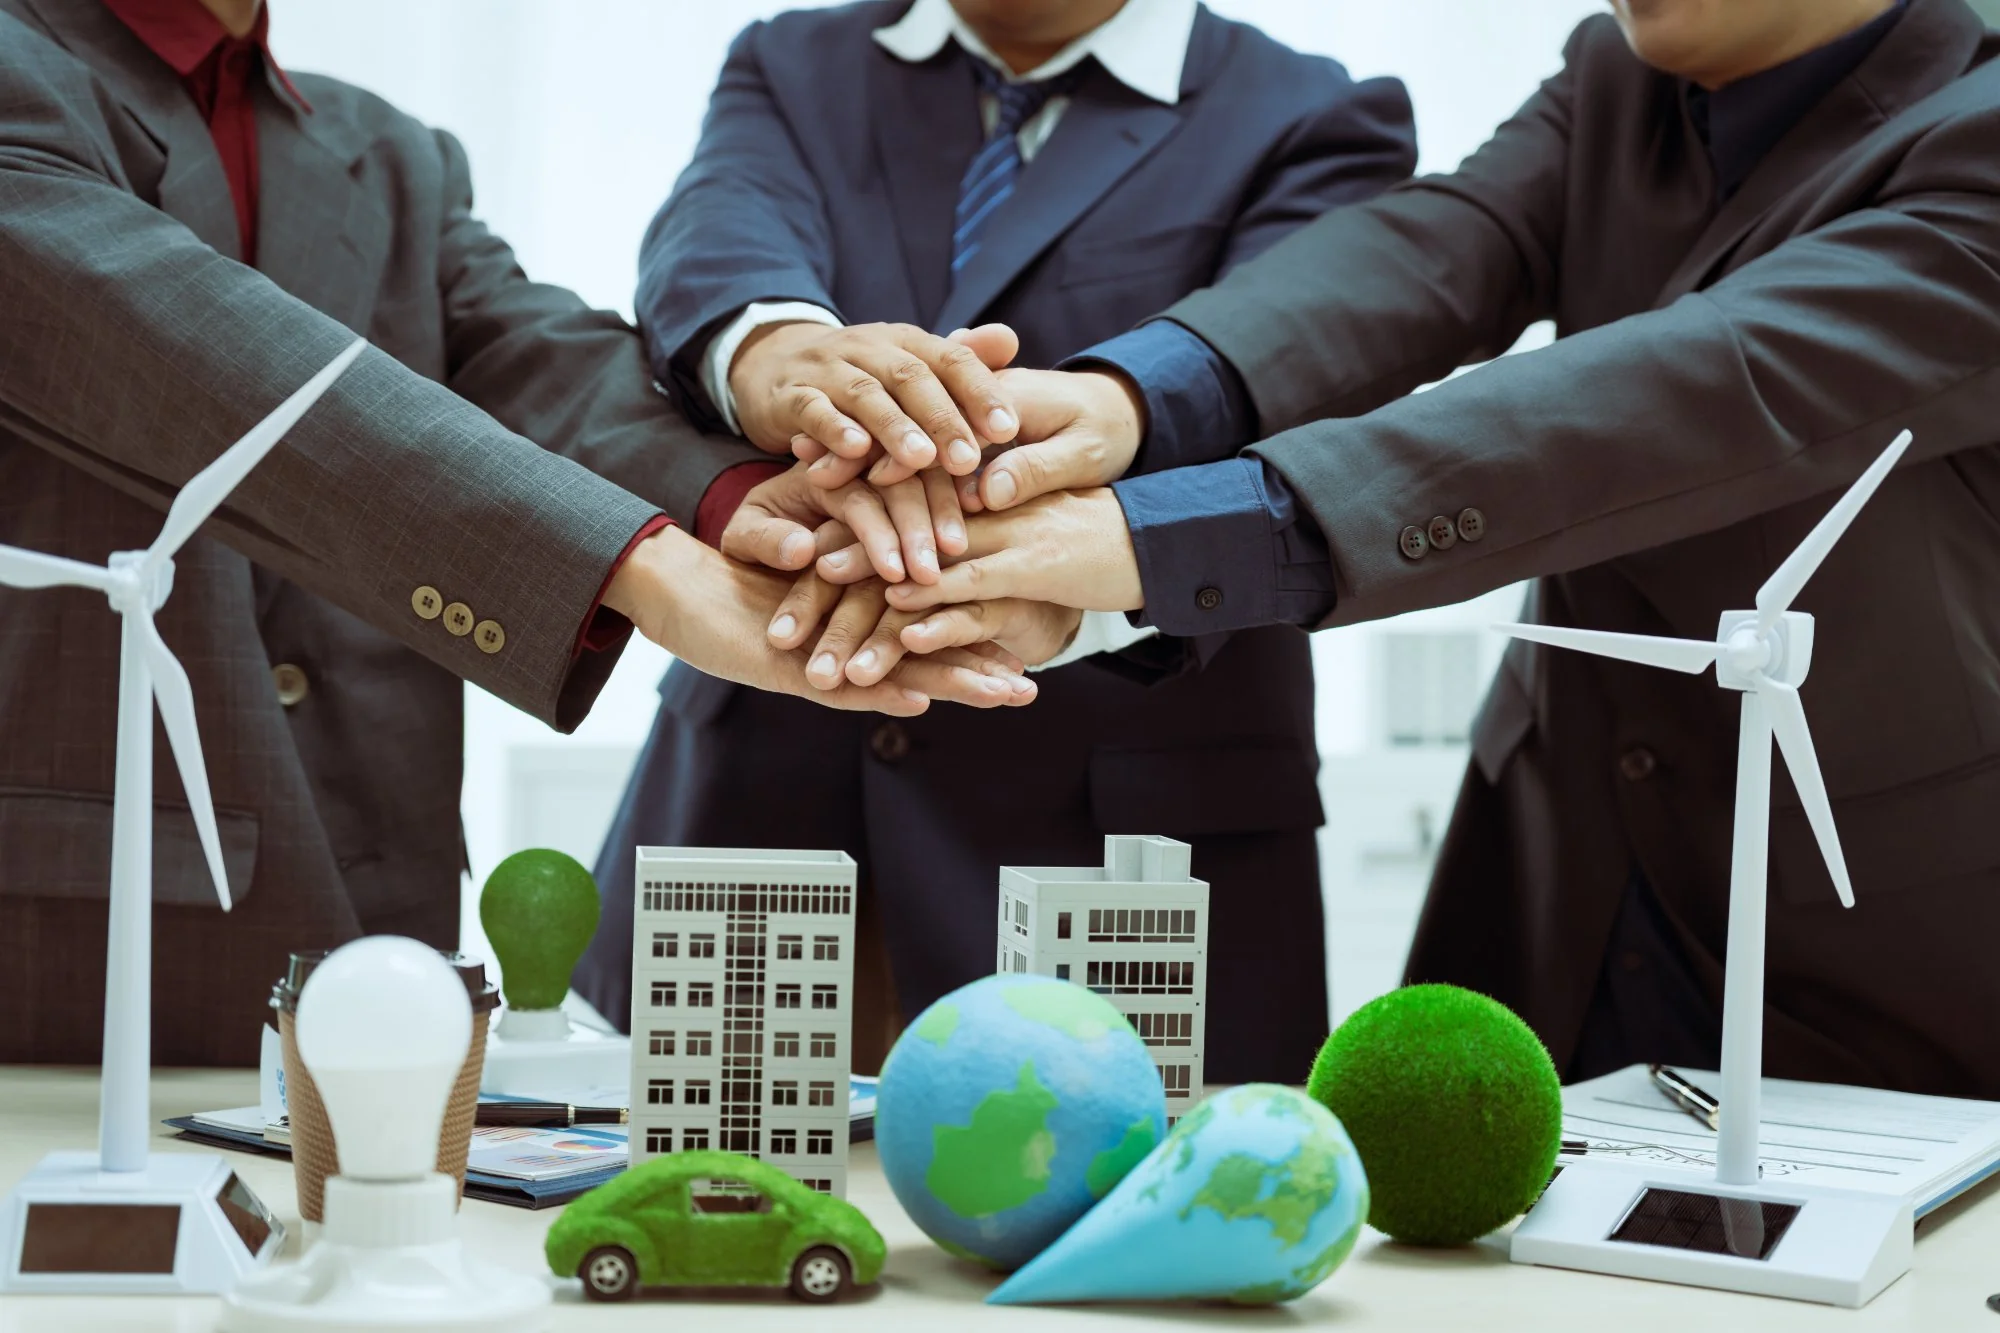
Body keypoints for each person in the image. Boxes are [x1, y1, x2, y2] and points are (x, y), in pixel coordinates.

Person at [780, 0, 2000, 1097]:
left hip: (1860, 925)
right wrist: (1126, 399)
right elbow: (1425, 255)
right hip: (1560, 881)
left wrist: (1149, 540)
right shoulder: (1611, 74)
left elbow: (1691, 395)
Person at [0, 0, 1044, 1066]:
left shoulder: (389, 153)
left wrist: (750, 502)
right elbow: (210, 364)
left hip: (374, 901)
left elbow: (534, 358)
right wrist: (641, 561)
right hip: (83, 932)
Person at [574, 0, 1416, 1076]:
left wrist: (1047, 563)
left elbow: (1294, 420)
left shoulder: (1312, 115)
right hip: (762, 816)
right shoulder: (793, 60)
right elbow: (719, 237)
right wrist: (785, 362)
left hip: (1111, 857)